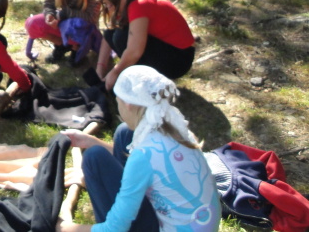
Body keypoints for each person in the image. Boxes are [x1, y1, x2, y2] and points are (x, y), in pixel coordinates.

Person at [58, 65, 221, 232]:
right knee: (124, 132)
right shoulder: (175, 128)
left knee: (94, 157)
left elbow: (113, 229)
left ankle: (123, 199)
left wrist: (64, 228)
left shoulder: (144, 155)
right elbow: (149, 163)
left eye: (117, 101)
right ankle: (126, 197)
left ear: (128, 104)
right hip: (200, 223)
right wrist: (91, 141)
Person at [95, 0, 195, 91]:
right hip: (169, 50)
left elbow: (135, 51)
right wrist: (100, 68)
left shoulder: (139, 6)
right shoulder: (130, 2)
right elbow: (109, 32)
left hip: (179, 60)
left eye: (110, 4)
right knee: (113, 33)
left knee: (121, 38)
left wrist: (115, 72)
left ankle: (142, 81)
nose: (109, 8)